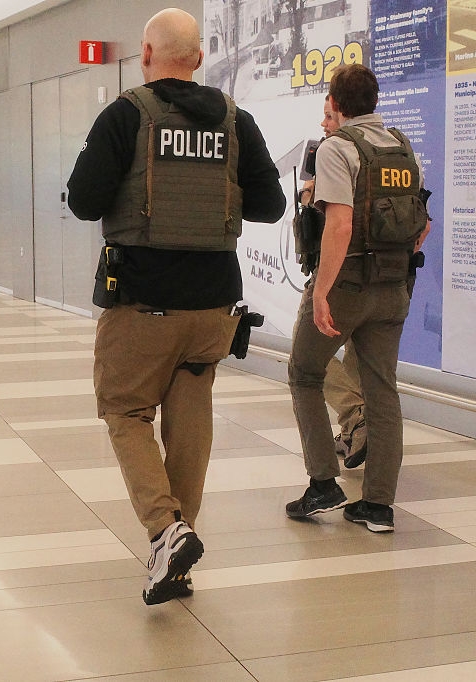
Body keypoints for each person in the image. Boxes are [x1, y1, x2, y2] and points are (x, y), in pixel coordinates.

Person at [66, 7, 285, 605]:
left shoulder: (125, 116)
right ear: (198, 58)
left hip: (142, 299)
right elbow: (269, 208)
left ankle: (166, 531)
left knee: (125, 411)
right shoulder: (237, 122)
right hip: (215, 304)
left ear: (145, 54)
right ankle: (175, 561)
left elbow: (84, 201)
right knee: (190, 427)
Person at [285, 63, 430, 533]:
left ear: (337, 103)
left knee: (305, 373)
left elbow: (339, 226)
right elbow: (422, 225)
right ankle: (379, 506)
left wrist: (322, 291)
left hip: (347, 285)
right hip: (395, 289)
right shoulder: (403, 149)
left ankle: (323, 482)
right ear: (375, 99)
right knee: (382, 389)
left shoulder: (338, 148)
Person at [299, 97, 368, 469]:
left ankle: (353, 418)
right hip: (384, 282)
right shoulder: (391, 151)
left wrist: (310, 194)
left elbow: (333, 226)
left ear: (345, 113)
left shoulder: (335, 156)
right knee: (364, 365)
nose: (324, 124)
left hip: (339, 278)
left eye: (330, 116)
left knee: (305, 363)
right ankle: (357, 429)